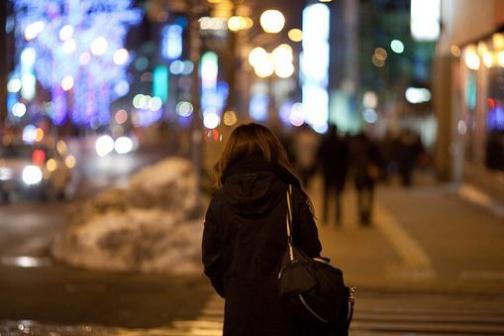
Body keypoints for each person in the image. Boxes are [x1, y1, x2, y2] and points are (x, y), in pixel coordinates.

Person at [202, 123, 334, 336]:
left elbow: (211, 259)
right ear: (273, 151)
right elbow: (312, 250)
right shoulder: (290, 194)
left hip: (240, 313)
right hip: (286, 308)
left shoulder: (221, 199)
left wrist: (234, 290)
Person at [317, 124, 348, 225]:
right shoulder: (341, 143)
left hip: (328, 173)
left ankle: (325, 217)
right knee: (337, 197)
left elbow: (320, 157)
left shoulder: (326, 143)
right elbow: (345, 161)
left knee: (326, 196)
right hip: (338, 173)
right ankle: (337, 219)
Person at [349, 132, 381, 226]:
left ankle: (361, 215)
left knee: (360, 196)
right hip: (369, 175)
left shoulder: (355, 148)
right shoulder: (372, 146)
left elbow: (351, 161)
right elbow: (378, 159)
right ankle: (367, 215)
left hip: (359, 175)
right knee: (369, 197)